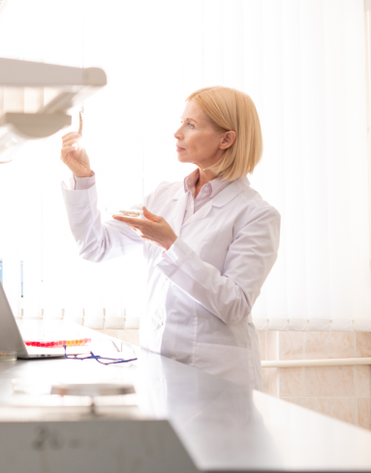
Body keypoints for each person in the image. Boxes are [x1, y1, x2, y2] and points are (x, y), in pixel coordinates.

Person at [59, 86, 280, 389]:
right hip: (159, 372)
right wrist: (82, 177)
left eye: (190, 125)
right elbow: (95, 246)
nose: (177, 133)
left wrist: (171, 244)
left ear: (226, 139)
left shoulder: (256, 214)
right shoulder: (165, 196)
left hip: (218, 383)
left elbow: (234, 305)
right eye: (181, 122)